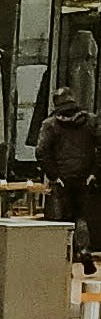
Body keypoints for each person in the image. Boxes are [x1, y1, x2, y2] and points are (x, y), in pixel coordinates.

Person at [37, 84, 99, 266]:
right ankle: (84, 249)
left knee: (61, 218)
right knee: (81, 215)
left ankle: (64, 256)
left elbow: (41, 152)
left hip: (61, 178)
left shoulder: (50, 124)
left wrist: (54, 175)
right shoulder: (91, 121)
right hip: (85, 176)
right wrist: (94, 173)